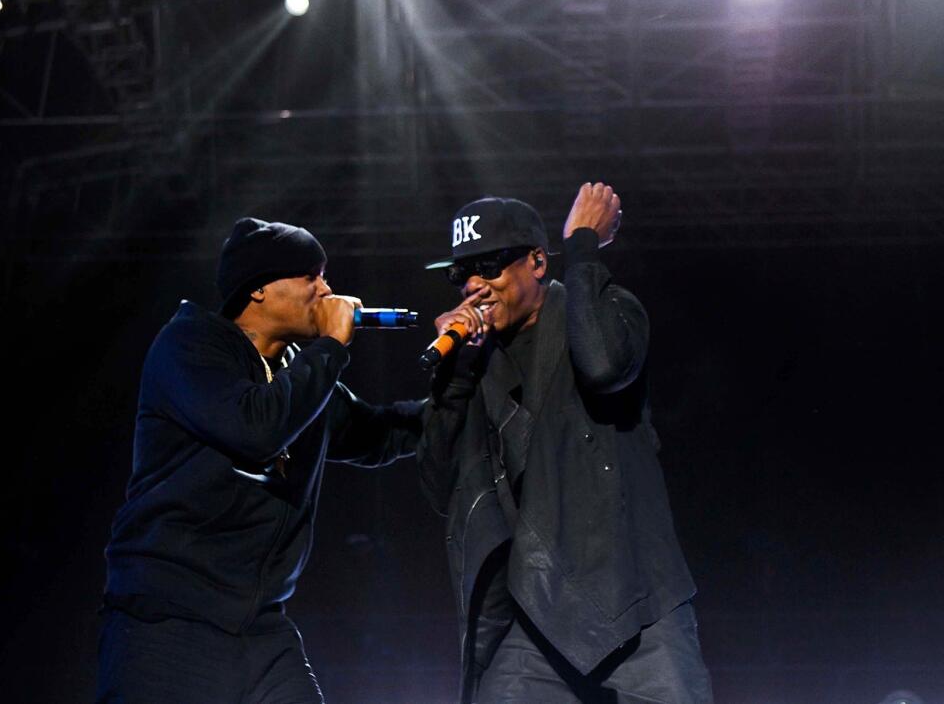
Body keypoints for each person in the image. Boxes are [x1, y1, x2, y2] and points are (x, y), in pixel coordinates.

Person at [97, 217, 423, 704]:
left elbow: (378, 433)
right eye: (310, 275)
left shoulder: (297, 370)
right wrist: (331, 347)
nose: (326, 288)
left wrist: (463, 385)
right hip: (166, 624)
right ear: (259, 290)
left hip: (261, 628)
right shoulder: (189, 346)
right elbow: (256, 429)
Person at [418, 183, 713, 703]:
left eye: (490, 267)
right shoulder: (476, 362)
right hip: (538, 615)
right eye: (461, 274)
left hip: (639, 602)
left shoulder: (610, 308)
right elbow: (442, 489)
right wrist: (456, 378)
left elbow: (602, 366)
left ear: (537, 261)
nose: (473, 286)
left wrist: (581, 246)